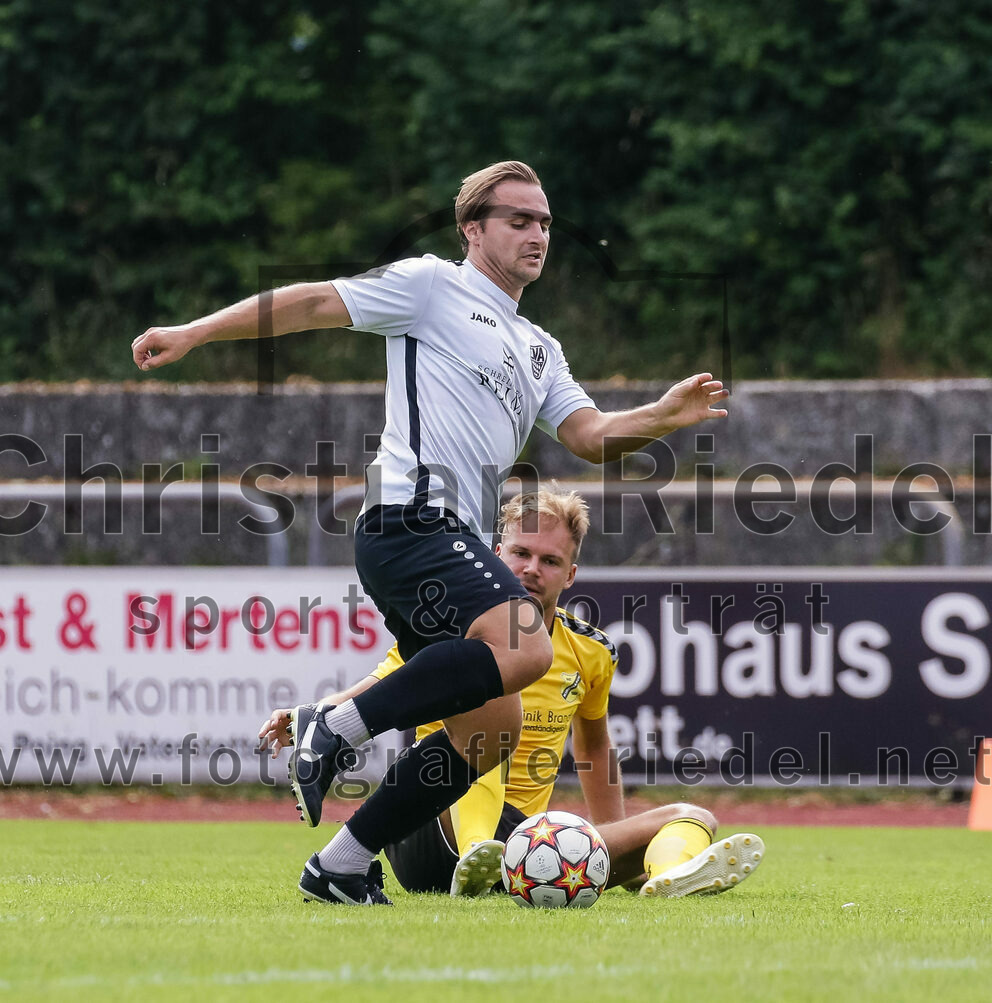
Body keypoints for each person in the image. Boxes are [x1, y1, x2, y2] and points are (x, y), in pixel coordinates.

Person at [133, 160, 730, 906]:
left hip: (448, 537)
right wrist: (193, 332)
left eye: (543, 221)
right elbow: (314, 300)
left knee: (491, 728)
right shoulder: (430, 286)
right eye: (518, 219)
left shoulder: (539, 346)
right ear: (472, 230)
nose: (536, 233)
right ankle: (337, 723)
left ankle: (343, 862)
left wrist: (662, 417)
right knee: (528, 645)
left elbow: (589, 433)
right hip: (409, 516)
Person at [260, 487, 765, 900]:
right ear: (495, 555)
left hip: (531, 839)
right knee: (492, 716)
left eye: (549, 560)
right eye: (520, 554)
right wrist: (316, 714)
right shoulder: (455, 642)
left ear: (570, 575)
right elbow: (377, 689)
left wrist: (606, 836)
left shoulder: (591, 651)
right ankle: (479, 853)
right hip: (428, 831)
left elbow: (593, 748)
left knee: (693, 815)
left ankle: (666, 877)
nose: (530, 569)